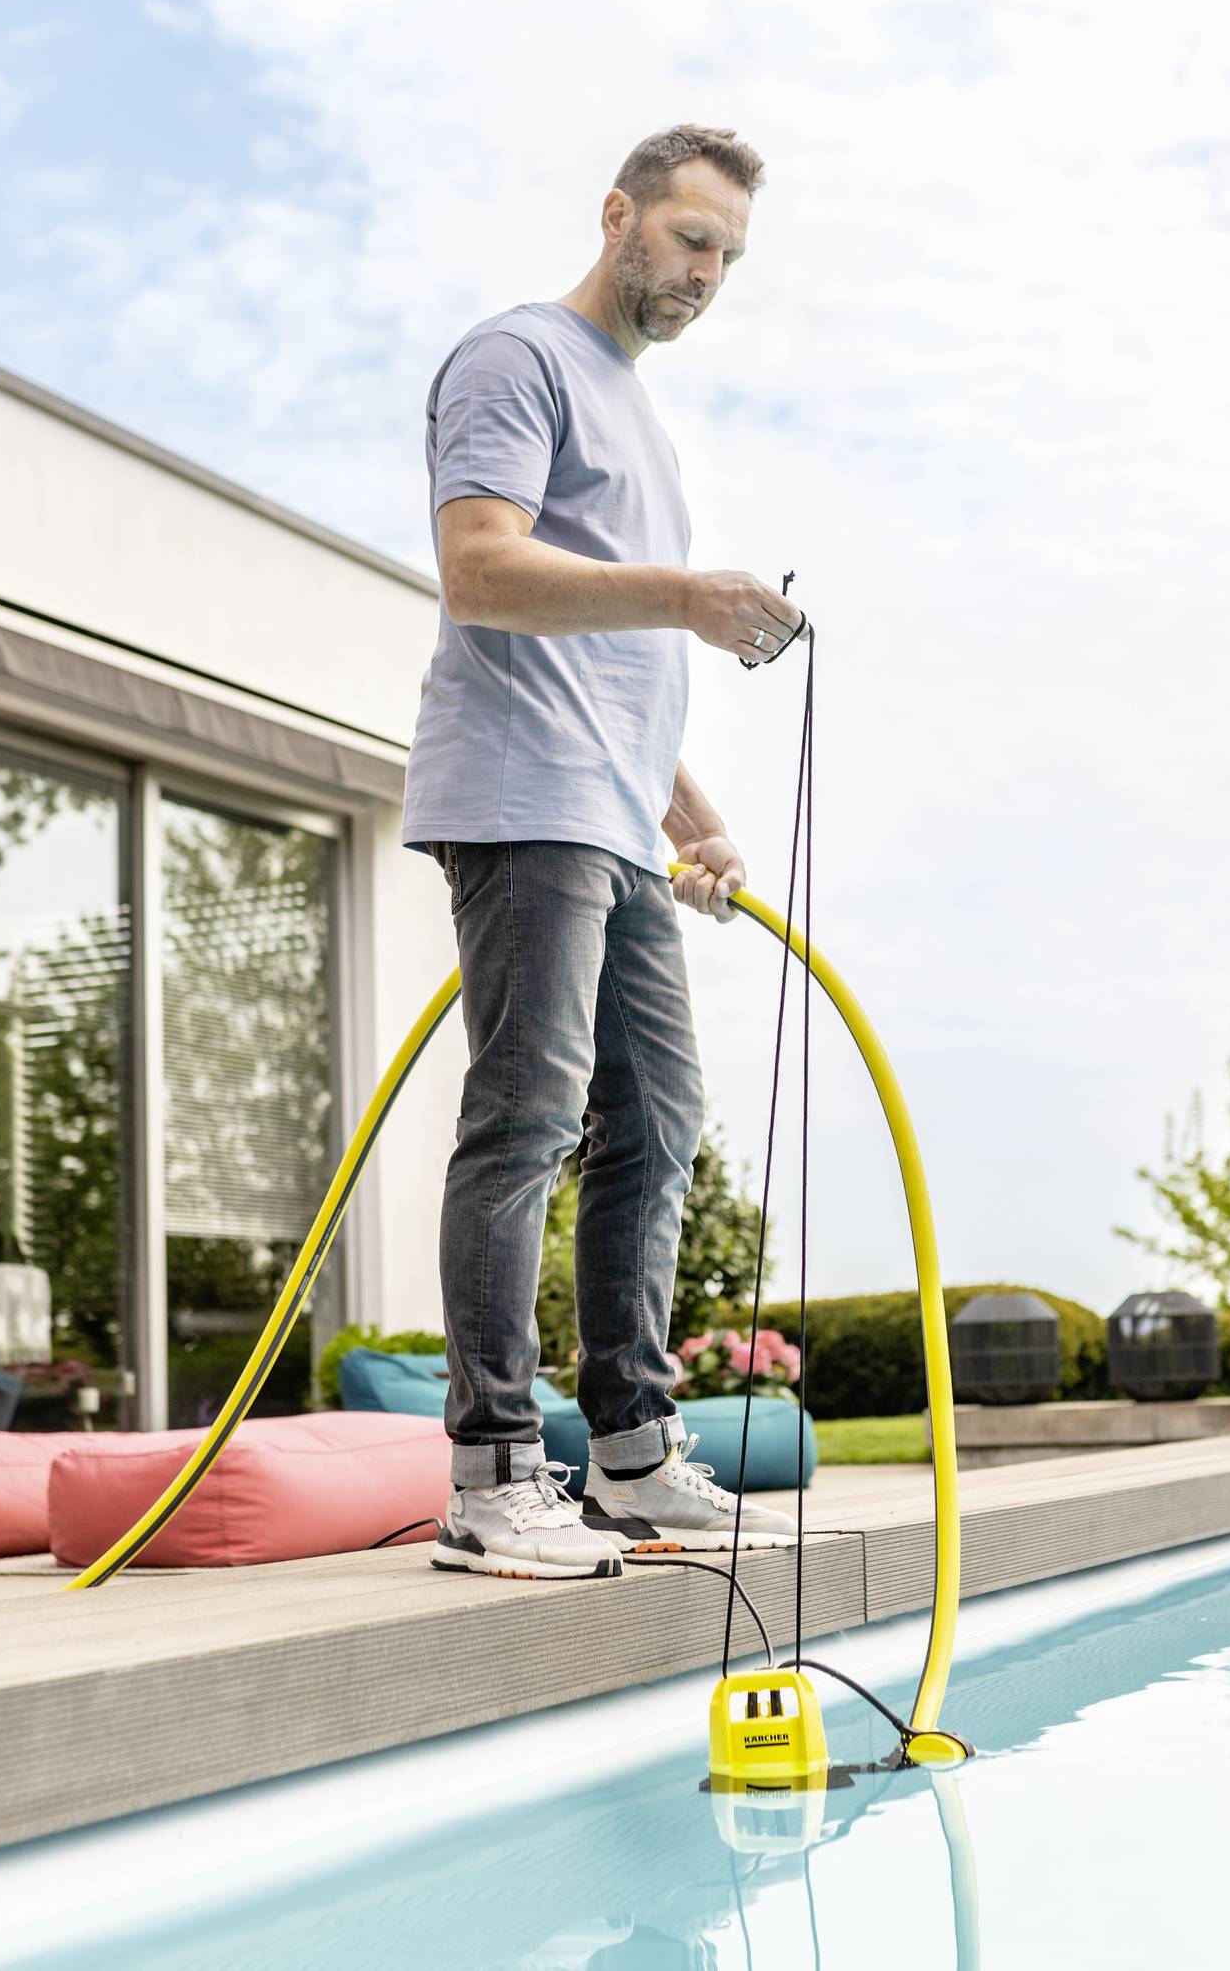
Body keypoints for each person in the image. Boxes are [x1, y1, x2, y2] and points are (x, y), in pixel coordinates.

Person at [404, 124, 804, 1580]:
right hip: (523, 799)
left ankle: (631, 1452)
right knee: (526, 1118)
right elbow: (482, 569)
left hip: (616, 817)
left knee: (660, 1121)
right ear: (619, 214)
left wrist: (693, 818)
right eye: (692, 239)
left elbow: (613, 669)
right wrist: (690, 596)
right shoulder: (517, 361)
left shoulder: (642, 419)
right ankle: (494, 1473)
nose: (706, 274)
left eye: (729, 259)